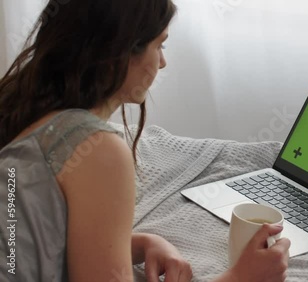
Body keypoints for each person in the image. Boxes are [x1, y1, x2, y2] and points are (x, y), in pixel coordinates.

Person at [0, 0, 291, 281]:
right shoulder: (98, 150)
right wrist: (240, 278)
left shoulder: (23, 108)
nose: (162, 62)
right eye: (159, 45)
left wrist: (140, 244)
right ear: (121, 51)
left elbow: (36, 237)